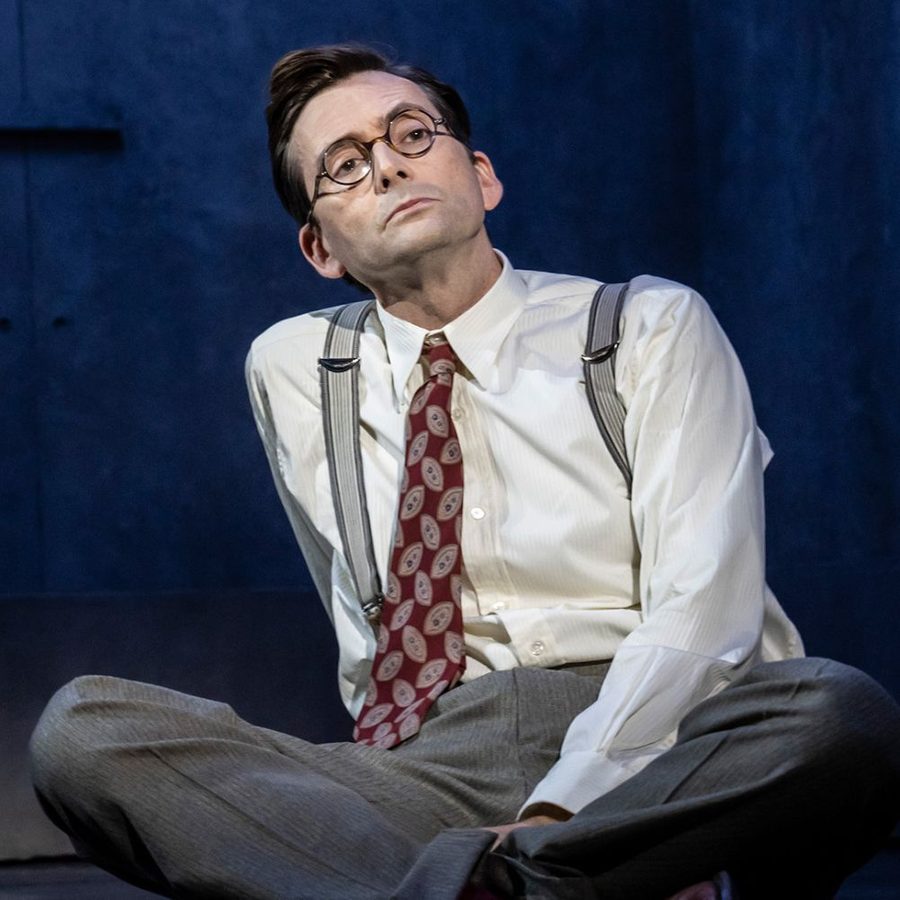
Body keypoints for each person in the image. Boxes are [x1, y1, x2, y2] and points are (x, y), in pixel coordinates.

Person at [30, 44, 900, 899]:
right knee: (84, 734)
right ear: (319, 249)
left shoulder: (646, 324)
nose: (385, 168)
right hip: (433, 766)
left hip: (666, 746)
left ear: (481, 176)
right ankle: (573, 882)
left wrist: (565, 806)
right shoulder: (294, 367)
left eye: (412, 135)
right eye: (344, 164)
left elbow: (705, 610)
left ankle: (495, 876)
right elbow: (356, 609)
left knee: (836, 711)